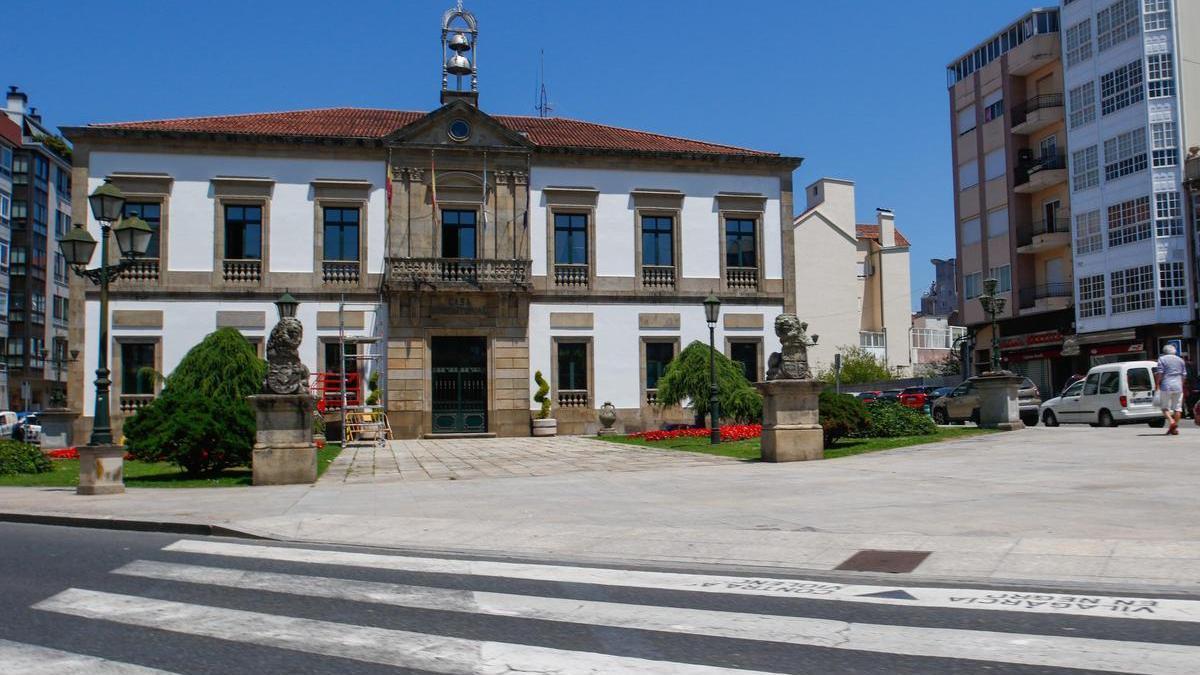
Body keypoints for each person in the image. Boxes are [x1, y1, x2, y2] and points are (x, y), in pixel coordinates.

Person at [1155, 344, 1187, 435]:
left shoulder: (1162, 359)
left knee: (1164, 407)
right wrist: (1182, 384)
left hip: (1166, 386)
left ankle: (1171, 421)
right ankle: (1174, 428)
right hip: (1178, 386)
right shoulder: (1181, 360)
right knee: (1178, 408)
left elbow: (1160, 373)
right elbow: (1184, 375)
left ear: (1164, 352)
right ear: (1174, 351)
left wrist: (1157, 384)